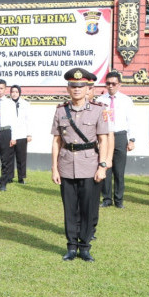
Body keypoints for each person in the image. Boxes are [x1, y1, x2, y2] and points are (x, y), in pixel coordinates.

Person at [51, 68, 109, 262]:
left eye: (81, 86)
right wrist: (54, 167)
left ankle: (84, 246)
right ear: (68, 88)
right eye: (73, 86)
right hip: (67, 164)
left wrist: (102, 166)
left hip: (90, 165)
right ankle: (71, 246)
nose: (76, 89)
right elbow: (57, 141)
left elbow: (103, 140)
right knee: (69, 208)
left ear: (87, 88)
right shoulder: (60, 110)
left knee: (88, 207)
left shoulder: (99, 109)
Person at [96, 71, 135, 208]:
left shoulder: (126, 100)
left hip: (120, 136)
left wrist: (132, 139)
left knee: (119, 170)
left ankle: (119, 200)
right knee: (105, 167)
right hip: (105, 136)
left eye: (113, 83)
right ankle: (106, 199)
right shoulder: (100, 101)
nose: (110, 86)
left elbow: (131, 121)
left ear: (119, 84)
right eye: (108, 83)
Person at [0, 79, 24, 192]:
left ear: (5, 89)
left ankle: (3, 183)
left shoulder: (10, 103)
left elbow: (14, 121)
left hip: (6, 132)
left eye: (1, 88)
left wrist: (14, 137)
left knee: (6, 159)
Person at [10, 85, 32, 184]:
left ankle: (21, 177)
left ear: (19, 93)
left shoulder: (25, 104)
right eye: (12, 92)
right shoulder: (7, 104)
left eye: (16, 92)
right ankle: (9, 177)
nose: (14, 94)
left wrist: (29, 134)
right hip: (10, 134)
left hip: (22, 134)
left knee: (21, 157)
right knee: (9, 157)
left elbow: (29, 120)